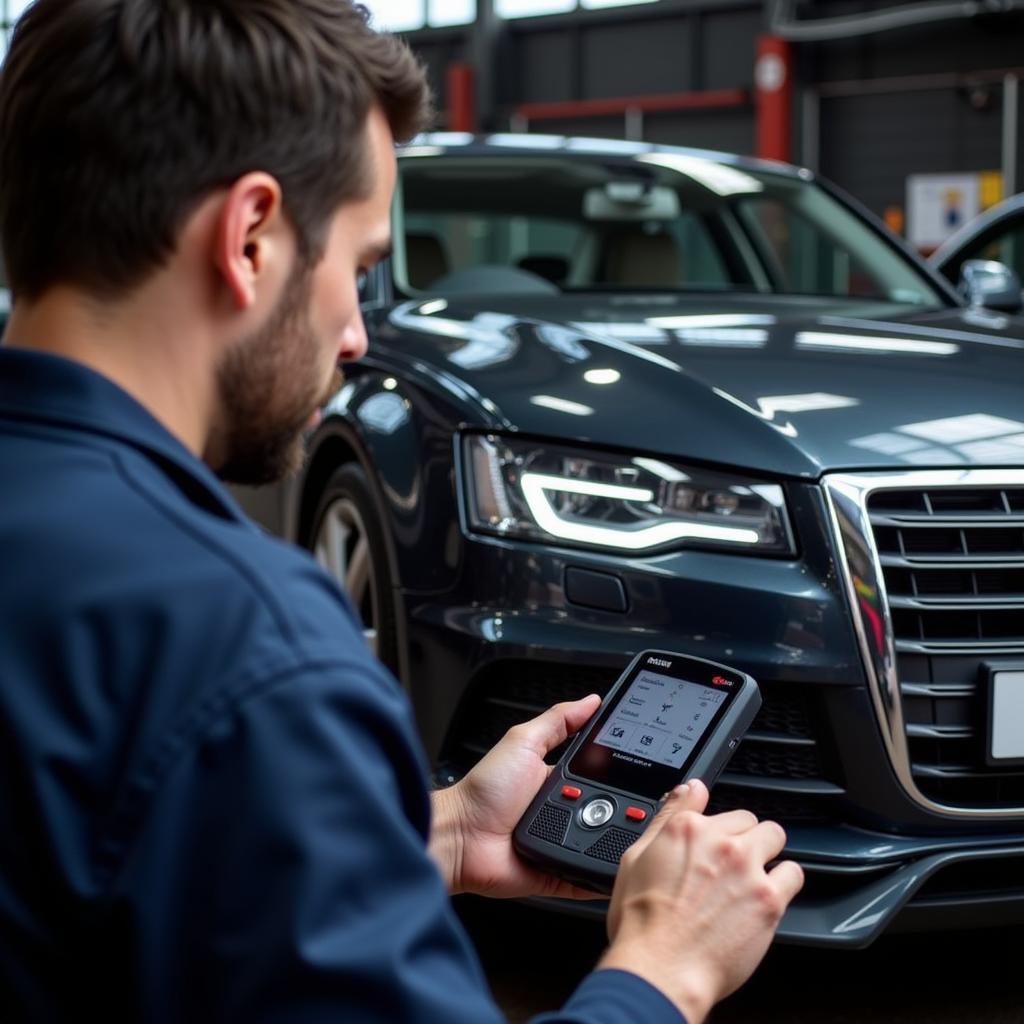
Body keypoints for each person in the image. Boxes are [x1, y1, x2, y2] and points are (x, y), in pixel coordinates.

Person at [0, 1, 803, 1021]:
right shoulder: (245, 646)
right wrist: (665, 967)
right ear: (249, 237)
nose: (354, 337)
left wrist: (447, 833)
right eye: (360, 269)